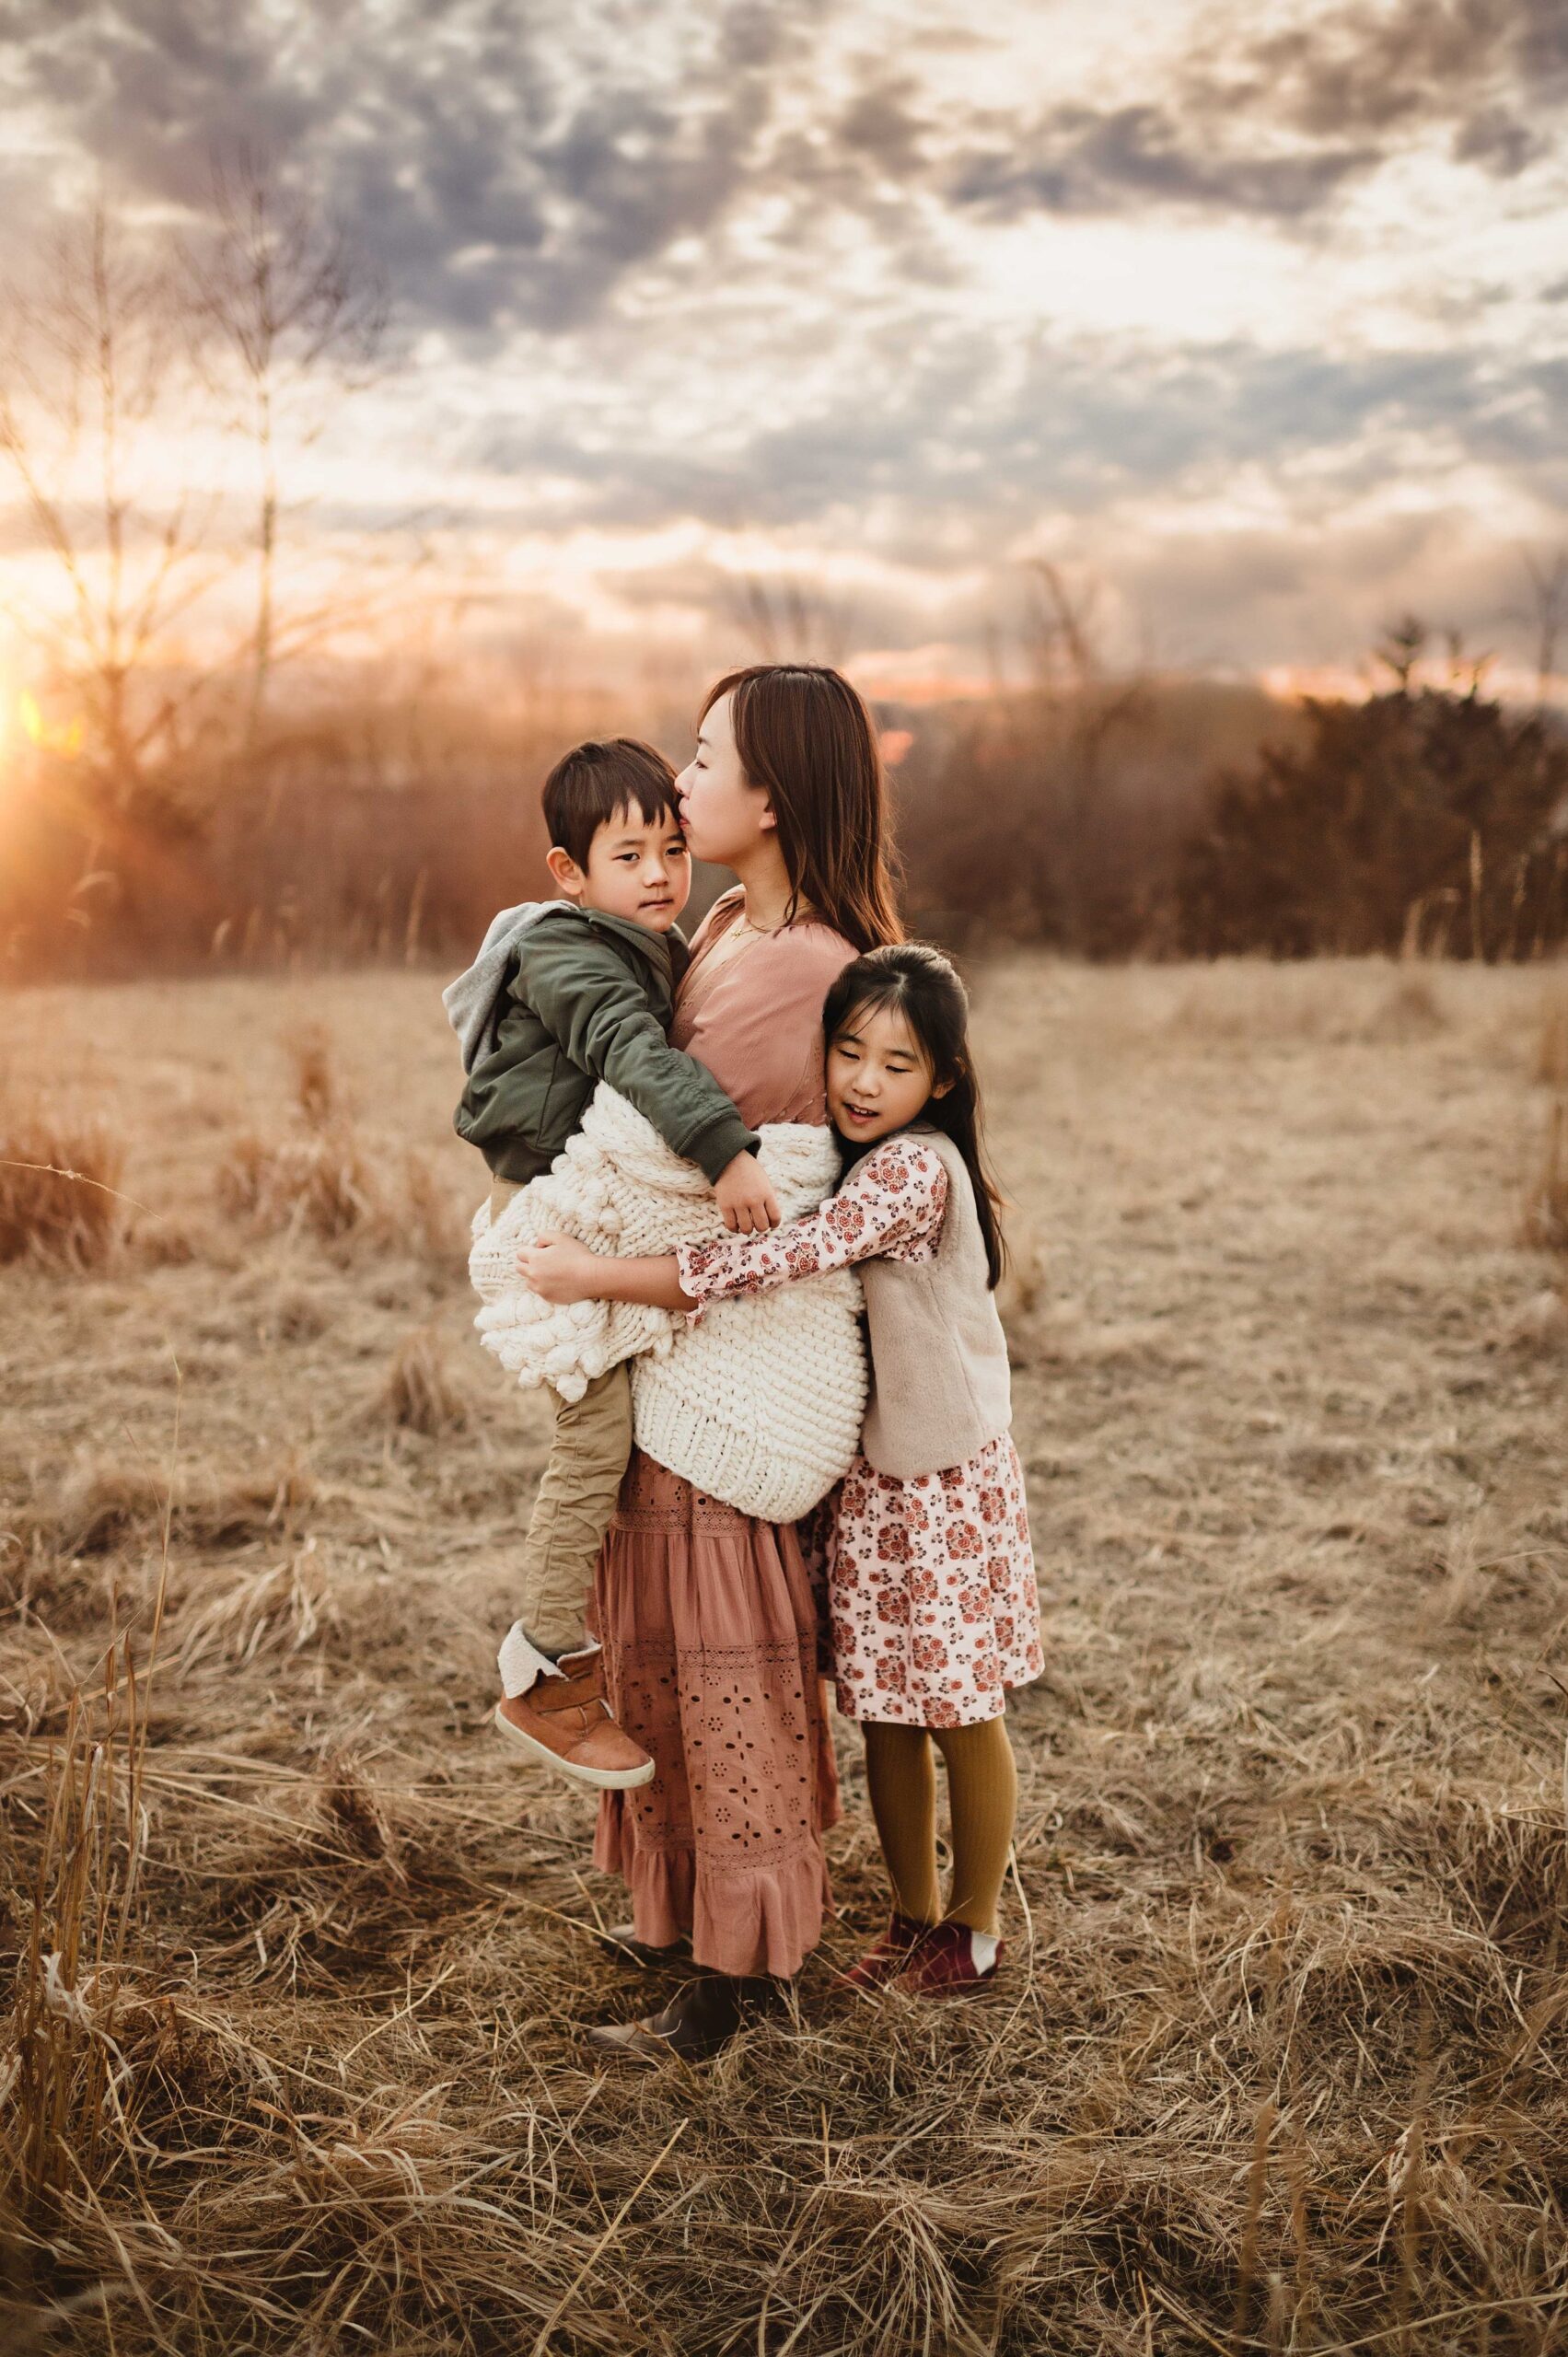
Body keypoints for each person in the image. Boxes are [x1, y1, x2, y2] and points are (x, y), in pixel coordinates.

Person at [521, 941, 1043, 1998]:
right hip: (881, 1484)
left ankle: (973, 1930)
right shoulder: (870, 1151)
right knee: (887, 1709)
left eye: (895, 1065)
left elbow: (776, 1258)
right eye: (847, 1051)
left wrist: (598, 1275)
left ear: (941, 1079)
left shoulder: (907, 1168)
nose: (861, 1081)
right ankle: (911, 1921)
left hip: (936, 1487)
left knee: (957, 1709)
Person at [519, 663, 903, 2061]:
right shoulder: (732, 919)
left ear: (772, 795)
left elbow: (686, 1150)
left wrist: (580, 1241)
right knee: (669, 1656)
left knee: (718, 1662)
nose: (677, 786)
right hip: (672, 1338)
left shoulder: (797, 967)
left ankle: (737, 1980)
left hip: (722, 1361)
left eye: (700, 759)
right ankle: (692, 1921)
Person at [443, 737, 780, 1794]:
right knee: (592, 1435)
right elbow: (634, 1054)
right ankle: (542, 1662)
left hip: (583, 1201)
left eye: (671, 850)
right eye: (628, 856)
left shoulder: (653, 935)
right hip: (545, 1216)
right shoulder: (571, 955)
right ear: (569, 873)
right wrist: (723, 1151)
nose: (658, 875)